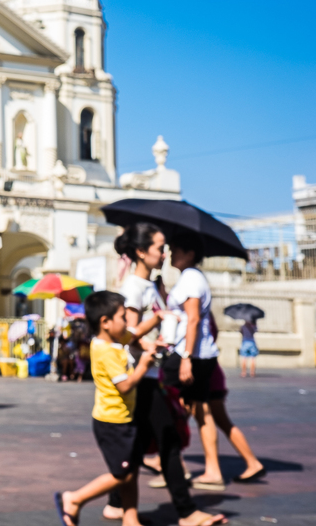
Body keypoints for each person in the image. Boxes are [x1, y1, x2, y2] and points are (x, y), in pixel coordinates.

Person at [103, 223, 225, 526]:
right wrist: (150, 337)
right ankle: (186, 512)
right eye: (159, 247)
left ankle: (114, 503)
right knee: (168, 440)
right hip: (141, 374)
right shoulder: (133, 287)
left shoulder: (150, 285)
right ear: (142, 253)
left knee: (140, 444)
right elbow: (127, 334)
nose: (164, 252)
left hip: (151, 372)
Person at [57, 291, 155, 526]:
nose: (127, 322)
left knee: (130, 471)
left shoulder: (108, 340)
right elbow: (125, 386)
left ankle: (130, 519)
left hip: (121, 418)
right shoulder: (107, 351)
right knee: (122, 475)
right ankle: (74, 499)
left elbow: (135, 333)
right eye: (123, 317)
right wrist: (143, 365)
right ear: (105, 322)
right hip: (113, 422)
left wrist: (158, 318)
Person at [162, 232, 230, 492]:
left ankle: (172, 467)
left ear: (190, 253)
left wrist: (186, 358)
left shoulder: (190, 278)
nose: (170, 254)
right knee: (202, 411)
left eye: (175, 248)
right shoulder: (191, 278)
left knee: (167, 407)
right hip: (202, 353)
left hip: (189, 353)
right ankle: (212, 470)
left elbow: (193, 319)